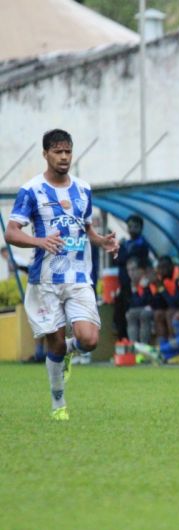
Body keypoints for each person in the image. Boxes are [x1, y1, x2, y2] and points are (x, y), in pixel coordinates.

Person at [4, 129, 119, 420]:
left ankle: (68, 351)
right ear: (46, 154)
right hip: (45, 281)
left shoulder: (83, 189)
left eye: (68, 151)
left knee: (90, 339)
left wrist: (101, 240)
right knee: (53, 342)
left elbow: (86, 228)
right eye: (58, 152)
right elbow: (12, 232)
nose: (64, 157)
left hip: (79, 278)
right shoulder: (32, 191)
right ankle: (58, 404)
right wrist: (39, 241)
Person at [113, 214, 153, 340]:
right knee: (120, 312)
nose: (132, 229)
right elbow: (117, 260)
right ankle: (123, 340)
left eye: (136, 226)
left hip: (137, 284)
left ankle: (133, 342)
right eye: (130, 226)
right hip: (125, 283)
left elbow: (127, 258)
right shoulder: (126, 243)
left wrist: (121, 249)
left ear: (141, 228)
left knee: (132, 312)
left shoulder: (142, 244)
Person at [124, 257, 156, 344]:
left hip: (153, 308)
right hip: (141, 308)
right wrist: (134, 290)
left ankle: (143, 345)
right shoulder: (131, 284)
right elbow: (134, 304)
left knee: (144, 315)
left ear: (141, 270)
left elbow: (153, 299)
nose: (131, 273)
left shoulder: (148, 281)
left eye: (133, 269)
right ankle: (133, 345)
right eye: (129, 270)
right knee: (130, 314)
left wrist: (145, 288)